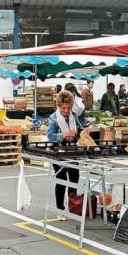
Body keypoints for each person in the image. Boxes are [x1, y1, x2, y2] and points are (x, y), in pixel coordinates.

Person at [47, 90, 82, 221]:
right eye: (64, 108)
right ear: (59, 106)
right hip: (58, 152)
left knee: (74, 178)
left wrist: (83, 132)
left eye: (68, 107)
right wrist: (63, 136)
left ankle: (73, 206)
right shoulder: (53, 118)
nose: (66, 110)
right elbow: (50, 136)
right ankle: (60, 209)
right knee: (61, 180)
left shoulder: (74, 116)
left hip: (73, 151)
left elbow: (80, 128)